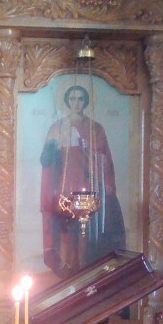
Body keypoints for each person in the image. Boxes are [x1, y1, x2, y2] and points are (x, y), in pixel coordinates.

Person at [40, 85, 125, 276]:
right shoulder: (57, 127)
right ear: (67, 101)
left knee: (88, 232)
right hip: (65, 186)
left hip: (89, 185)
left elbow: (105, 160)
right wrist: (56, 147)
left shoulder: (96, 128)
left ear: (85, 101)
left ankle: (89, 268)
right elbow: (46, 160)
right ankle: (68, 269)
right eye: (72, 99)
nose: (76, 103)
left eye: (80, 99)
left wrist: (106, 185)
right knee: (67, 230)